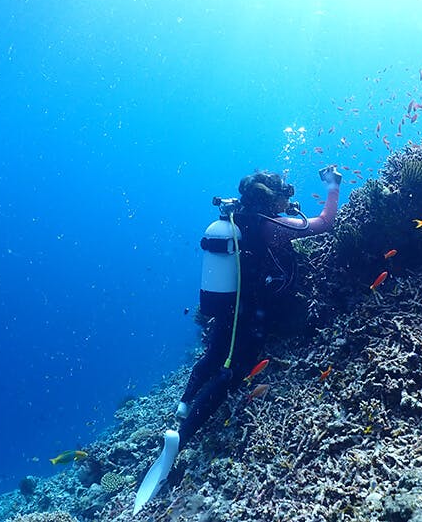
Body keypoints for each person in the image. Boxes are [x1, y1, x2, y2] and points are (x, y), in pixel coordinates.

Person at [133, 165, 341, 514]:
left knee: (214, 354)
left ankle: (183, 404)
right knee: (233, 372)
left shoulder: (237, 222)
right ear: (269, 197)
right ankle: (181, 438)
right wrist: (333, 187)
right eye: (282, 194)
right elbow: (323, 224)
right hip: (254, 313)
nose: (286, 199)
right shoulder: (270, 227)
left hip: (228, 307)